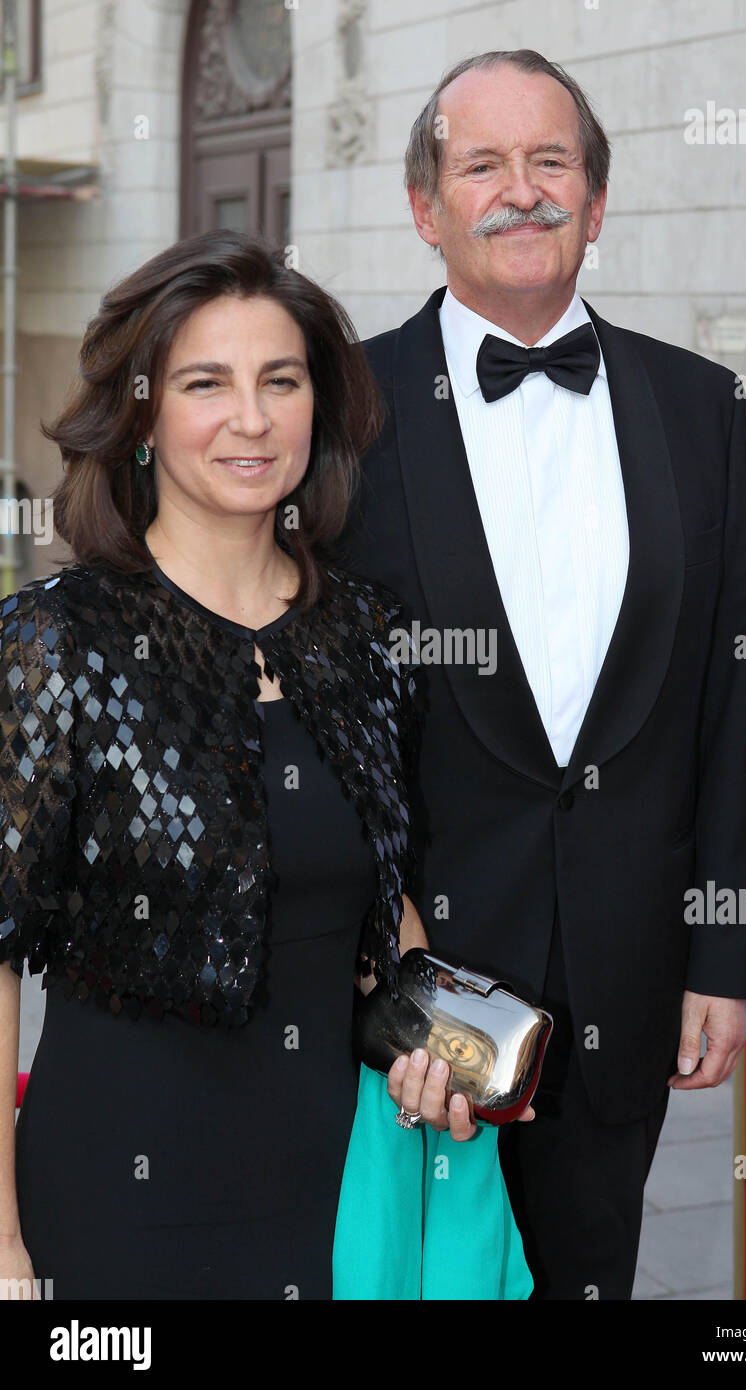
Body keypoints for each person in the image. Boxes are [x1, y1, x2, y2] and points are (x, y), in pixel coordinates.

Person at [0, 230, 531, 1301]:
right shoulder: (56, 643)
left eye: (279, 381)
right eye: (207, 382)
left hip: (335, 1178)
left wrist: (437, 1051)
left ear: (317, 409)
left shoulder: (365, 633)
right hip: (121, 1190)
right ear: (144, 416)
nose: (251, 418)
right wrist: (1, 1247)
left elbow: (386, 898)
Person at [337, 49, 746, 1300]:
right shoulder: (343, 411)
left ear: (594, 201)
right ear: (427, 208)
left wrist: (723, 958)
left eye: (550, 162)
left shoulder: (701, 408)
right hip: (407, 999)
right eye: (481, 164)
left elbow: (726, 704)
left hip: (627, 982)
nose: (519, 190)